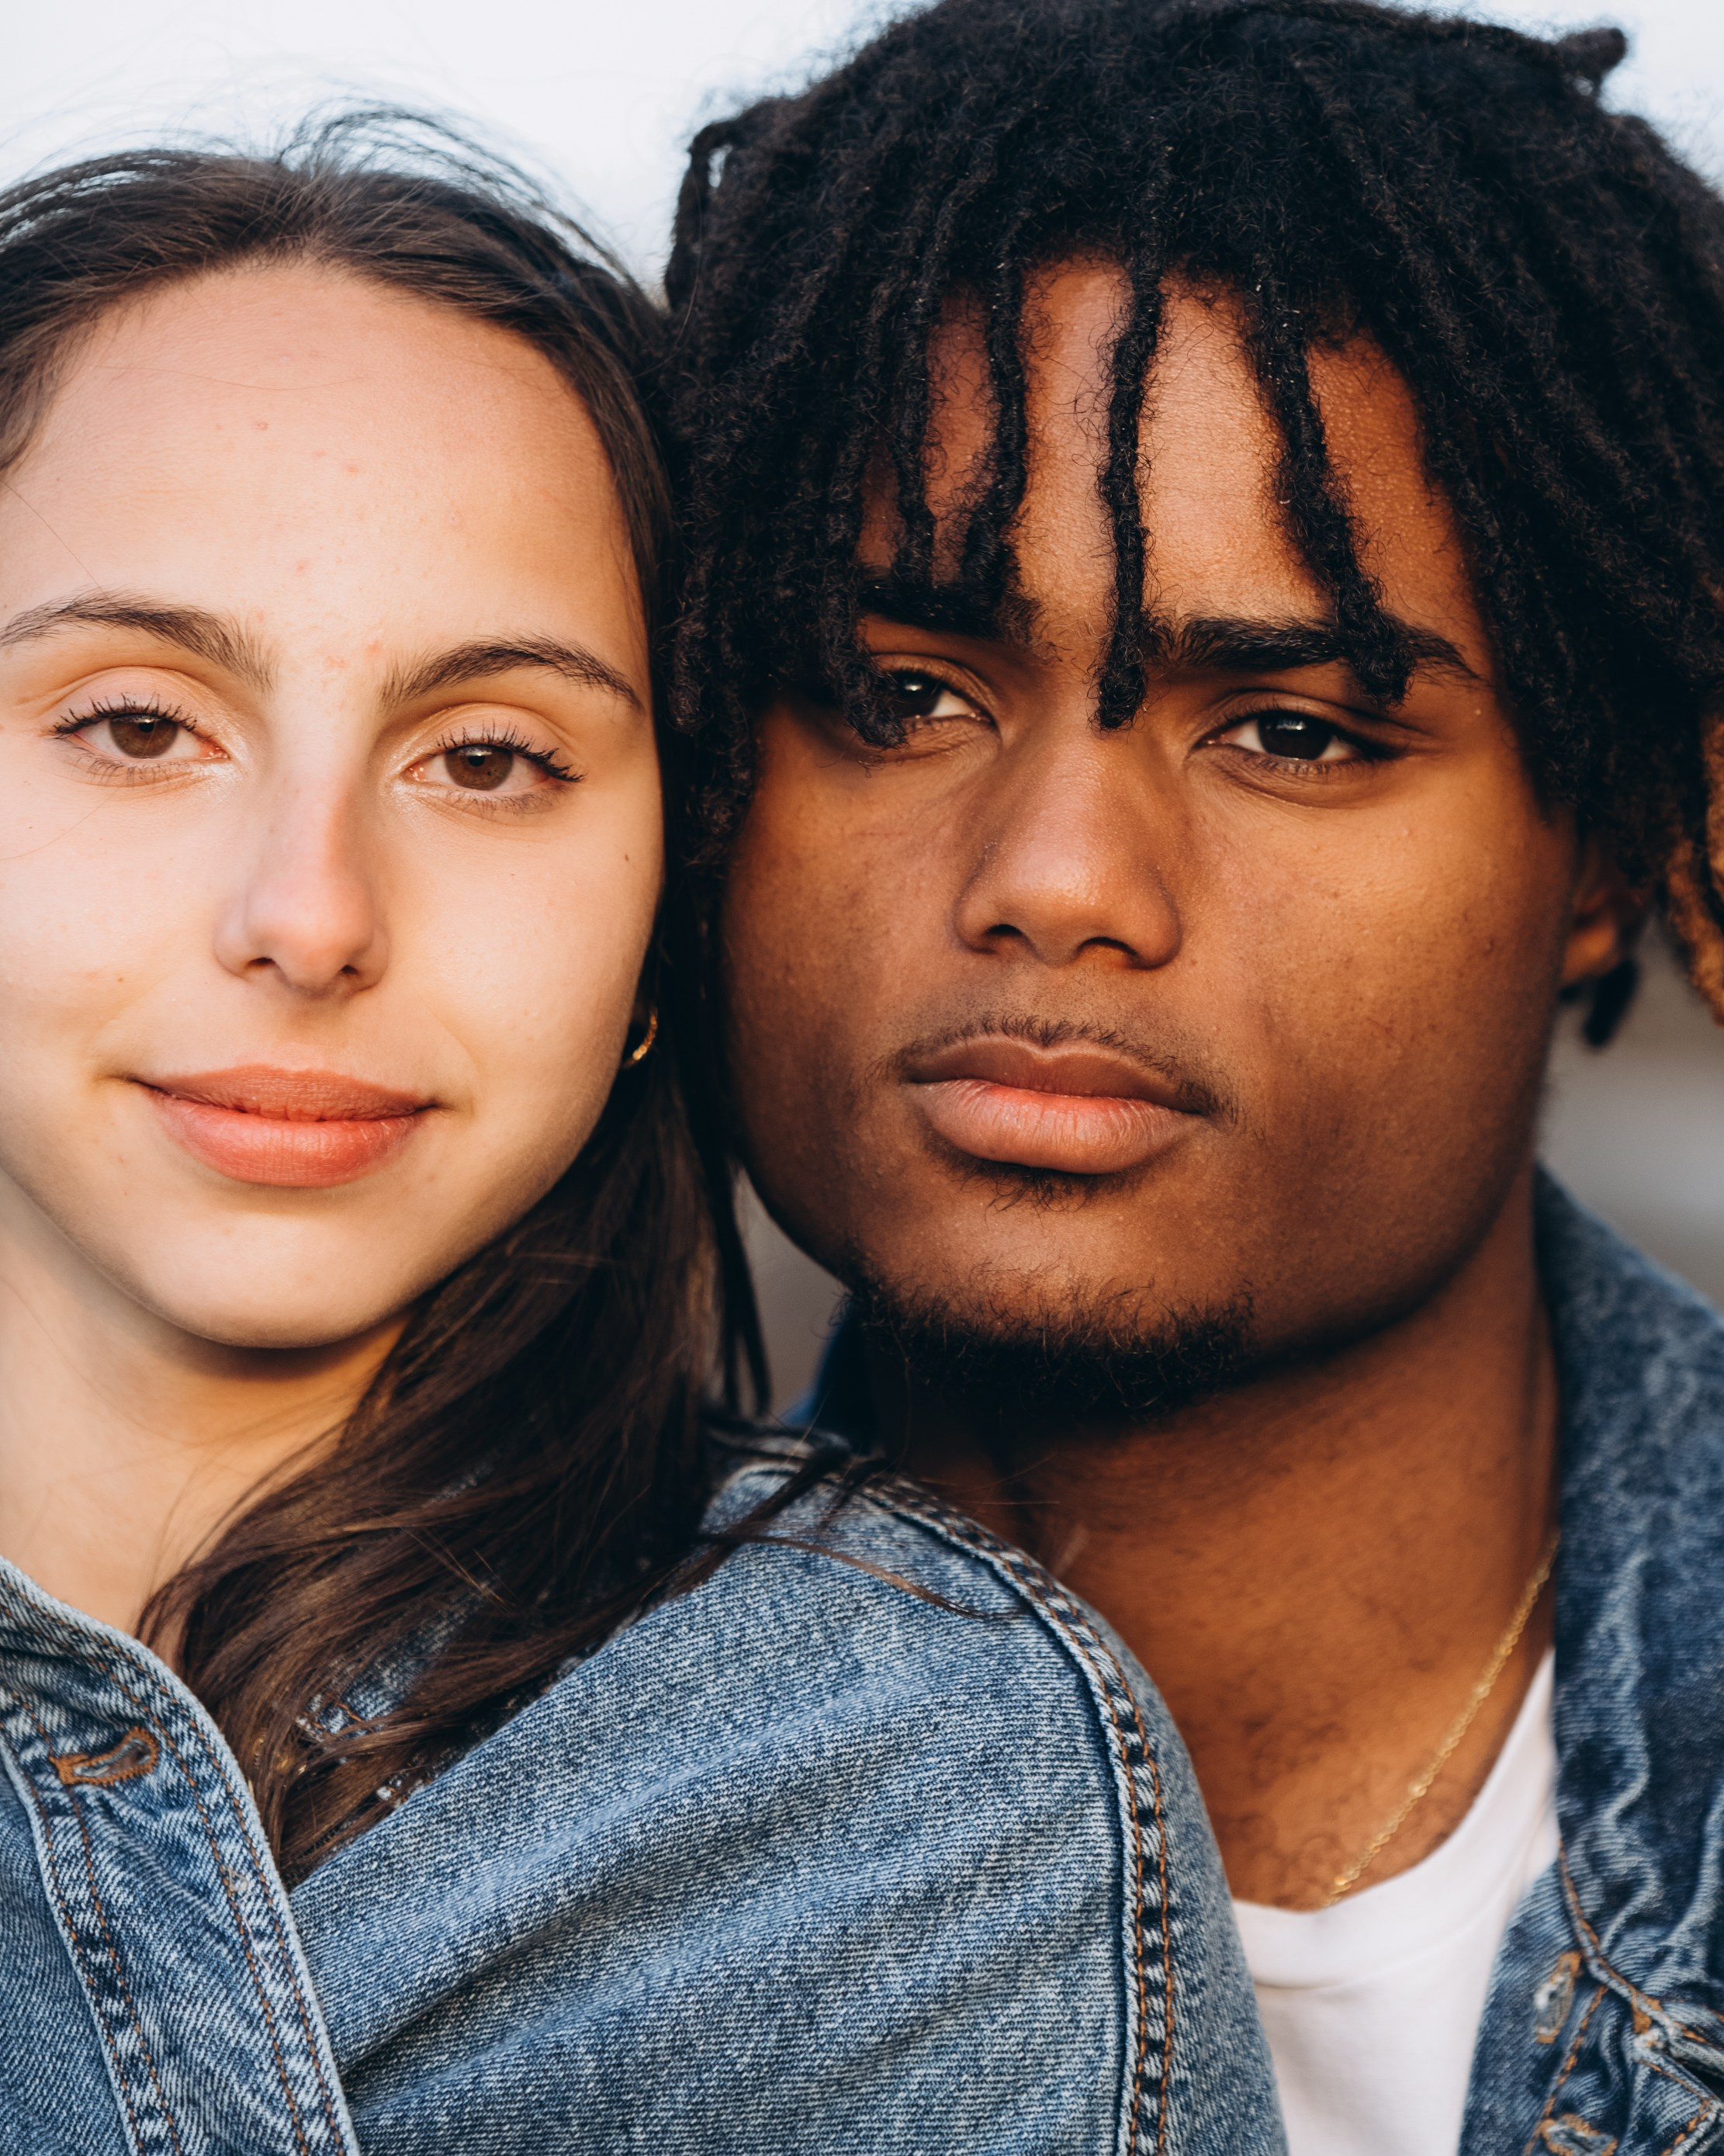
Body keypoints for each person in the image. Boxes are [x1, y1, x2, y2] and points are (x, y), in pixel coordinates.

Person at [0, 122, 1284, 2154]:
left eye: (490, 757)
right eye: (137, 724)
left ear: (669, 898)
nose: (313, 913)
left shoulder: (920, 1815)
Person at [666, 2, 1724, 2151]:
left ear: (1608, 844)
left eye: (1298, 728)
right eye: (902, 691)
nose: (1056, 879)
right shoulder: (355, 1853)